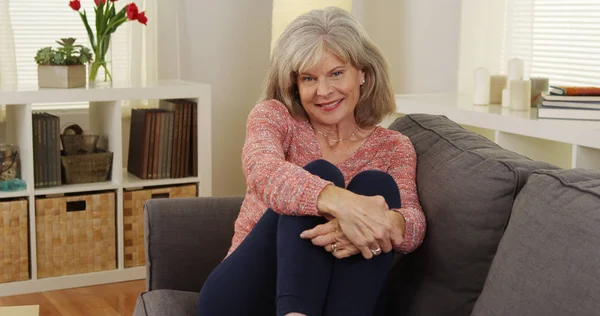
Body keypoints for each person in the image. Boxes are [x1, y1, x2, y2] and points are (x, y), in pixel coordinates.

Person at [197, 7, 425, 316]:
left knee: (377, 186)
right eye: (309, 78)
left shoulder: (394, 147)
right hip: (246, 294)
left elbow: (413, 223)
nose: (323, 91)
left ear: (363, 74)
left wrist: (381, 223)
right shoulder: (274, 117)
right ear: (295, 85)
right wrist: (338, 203)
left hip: (338, 297)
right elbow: (262, 170)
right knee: (318, 173)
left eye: (336, 73)